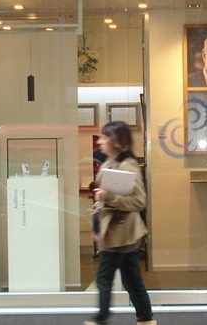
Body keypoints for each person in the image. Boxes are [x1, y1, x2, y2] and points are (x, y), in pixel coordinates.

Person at [85, 121, 155, 325]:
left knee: (104, 278)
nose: (100, 141)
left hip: (120, 234)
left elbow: (139, 201)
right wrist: (97, 226)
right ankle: (146, 318)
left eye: (104, 137)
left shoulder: (127, 165)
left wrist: (108, 197)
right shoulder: (110, 162)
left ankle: (101, 319)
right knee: (131, 279)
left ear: (116, 141)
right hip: (116, 232)